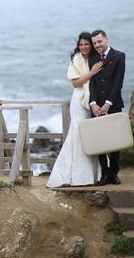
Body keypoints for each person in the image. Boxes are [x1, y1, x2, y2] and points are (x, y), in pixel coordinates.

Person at [47, 32, 103, 188]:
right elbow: (76, 83)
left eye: (86, 44)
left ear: (91, 45)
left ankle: (93, 174)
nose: (83, 47)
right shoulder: (76, 60)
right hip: (79, 101)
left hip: (92, 101)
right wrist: (91, 73)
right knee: (78, 135)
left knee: (90, 137)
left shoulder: (95, 59)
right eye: (81, 44)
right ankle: (75, 176)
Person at [89, 29, 126, 186]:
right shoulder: (92, 59)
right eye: (94, 43)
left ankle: (114, 172)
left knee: (114, 141)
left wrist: (108, 103)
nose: (97, 45)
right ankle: (104, 172)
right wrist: (93, 103)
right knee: (99, 141)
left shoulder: (119, 56)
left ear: (106, 39)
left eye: (99, 41)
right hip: (96, 107)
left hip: (113, 104)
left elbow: (118, 82)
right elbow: (92, 82)